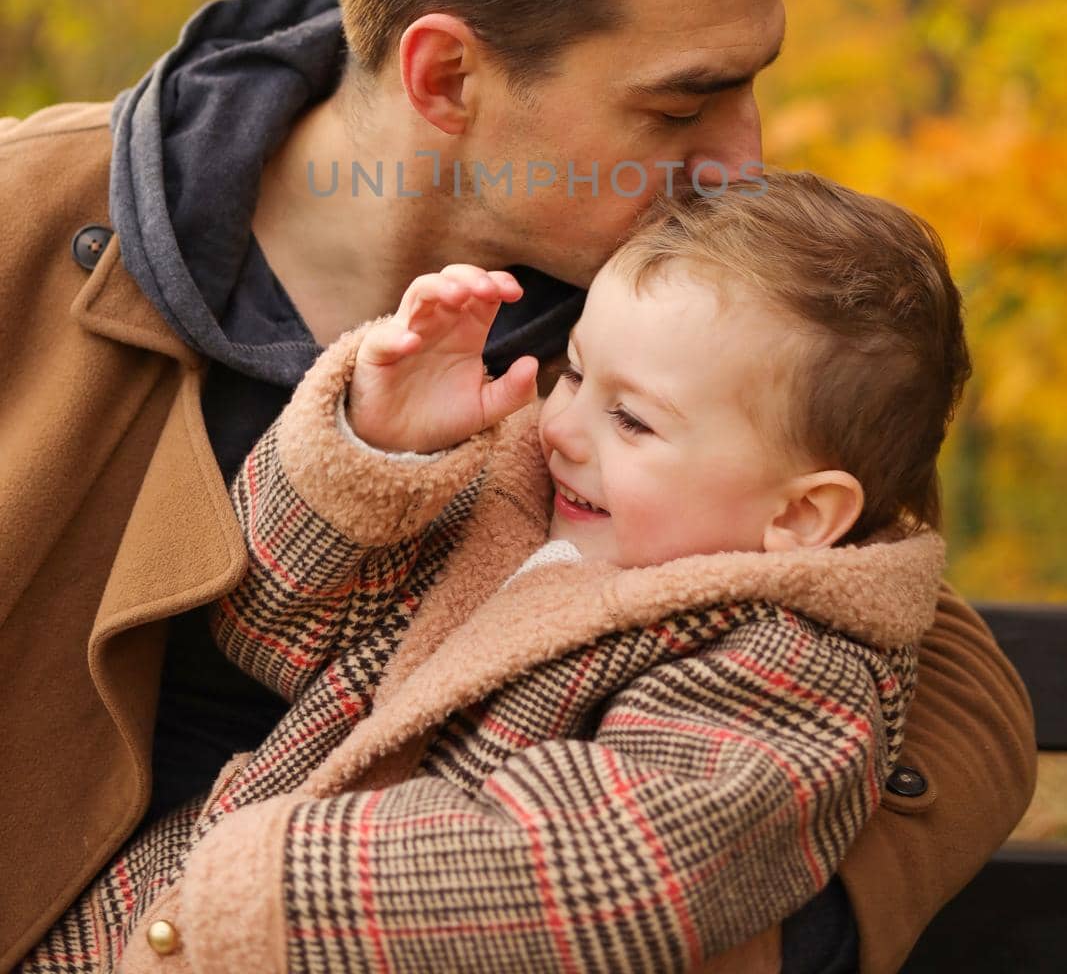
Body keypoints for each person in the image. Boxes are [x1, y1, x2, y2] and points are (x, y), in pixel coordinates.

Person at [0, 0, 1035, 974]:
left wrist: (759, 931)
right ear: (445, 78)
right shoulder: (34, 222)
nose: (743, 156)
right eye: (680, 100)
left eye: (751, 80)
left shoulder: (681, 304)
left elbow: (945, 684)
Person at [20, 170, 960, 972]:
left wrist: (260, 881)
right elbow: (270, 632)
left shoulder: (788, 666)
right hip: (143, 923)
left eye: (632, 421)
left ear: (799, 515)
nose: (562, 426)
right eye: (576, 374)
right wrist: (379, 453)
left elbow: (605, 867)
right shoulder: (523, 505)